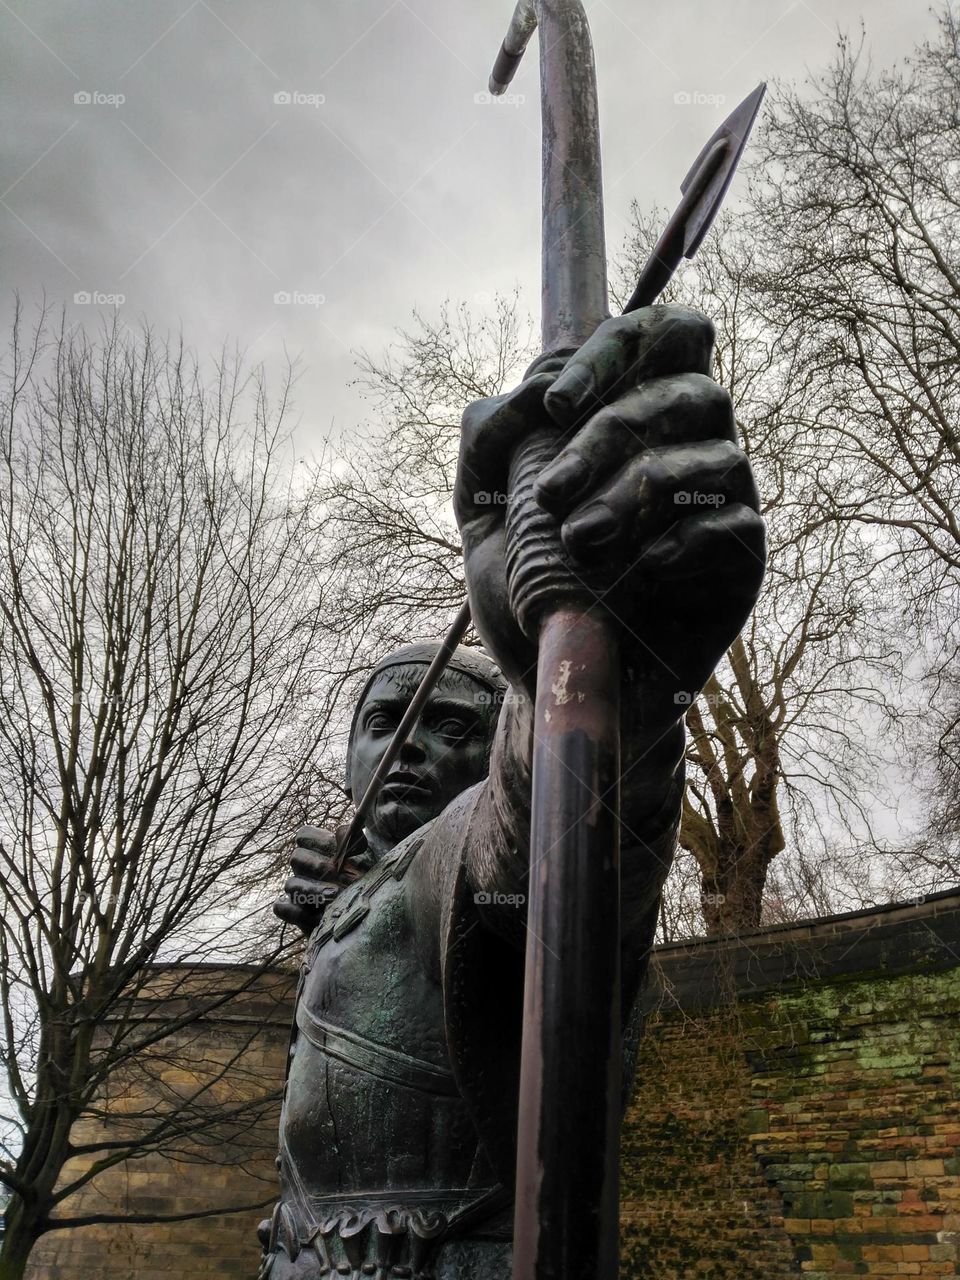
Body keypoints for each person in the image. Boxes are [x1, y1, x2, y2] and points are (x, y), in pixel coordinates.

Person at [258, 307, 765, 1279]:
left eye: (458, 727)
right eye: (390, 720)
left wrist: (592, 673)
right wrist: (346, 909)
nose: (409, 748)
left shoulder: (459, 852)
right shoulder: (374, 887)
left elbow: (536, 845)